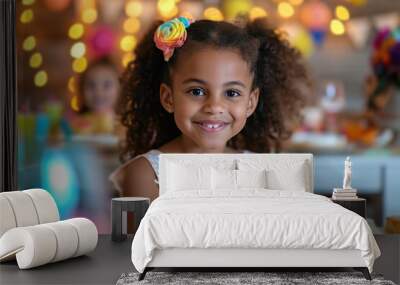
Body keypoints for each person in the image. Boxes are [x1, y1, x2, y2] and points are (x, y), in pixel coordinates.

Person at [110, 16, 308, 201]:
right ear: (168, 98)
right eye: (196, 91)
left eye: (231, 93)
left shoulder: (260, 170)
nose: (214, 107)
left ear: (250, 102)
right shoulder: (145, 173)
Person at [67, 56, 121, 135]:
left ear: (120, 88)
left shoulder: (122, 126)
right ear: (82, 89)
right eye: (91, 85)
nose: (98, 92)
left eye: (107, 85)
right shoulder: (76, 125)